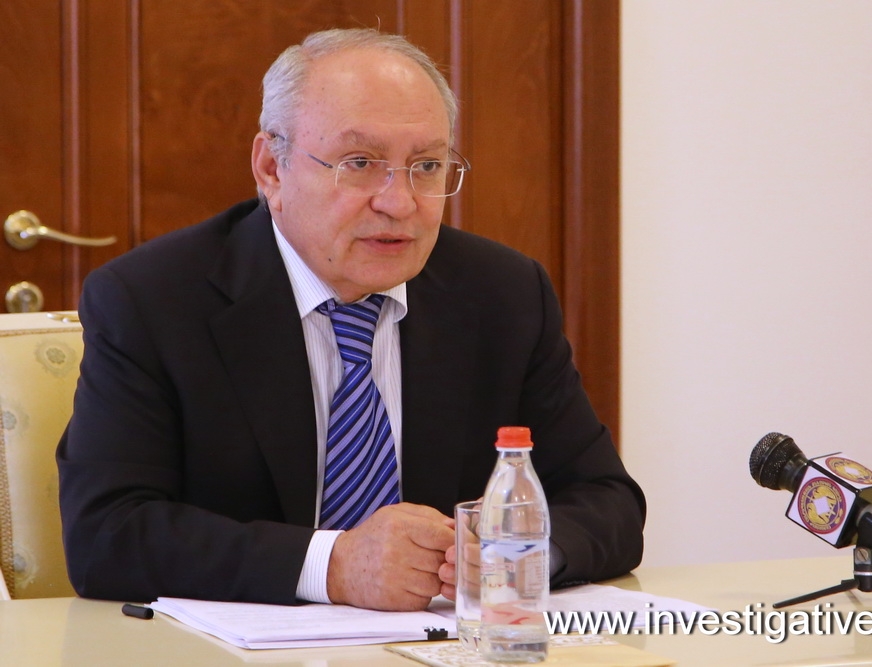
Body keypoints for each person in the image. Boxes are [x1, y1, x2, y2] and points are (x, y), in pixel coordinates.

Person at [57, 28, 645, 611]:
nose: (399, 202)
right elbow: (107, 534)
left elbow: (607, 501)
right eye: (360, 163)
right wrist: (332, 565)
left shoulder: (503, 294)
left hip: (441, 643)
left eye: (427, 166)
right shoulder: (152, 300)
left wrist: (509, 556)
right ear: (271, 168)